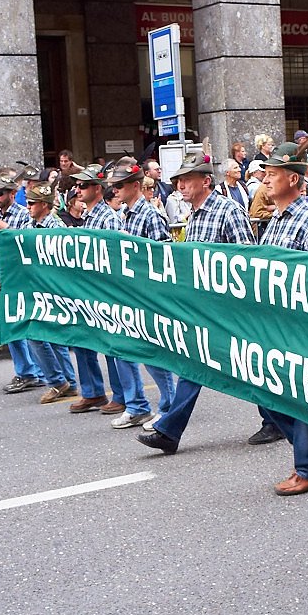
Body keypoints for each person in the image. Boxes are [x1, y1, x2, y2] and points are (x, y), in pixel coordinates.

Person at [136, 151, 255, 455]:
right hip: (204, 310)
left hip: (228, 310)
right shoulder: (195, 216)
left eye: (187, 180)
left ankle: (299, 431)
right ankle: (169, 431)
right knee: (198, 365)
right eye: (178, 181)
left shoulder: (229, 211)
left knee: (251, 370)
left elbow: (248, 260)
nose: (181, 185)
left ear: (206, 181)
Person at [252, 141, 308, 495]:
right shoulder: (277, 219)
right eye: (265, 174)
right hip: (275, 323)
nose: (265, 181)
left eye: (272, 175)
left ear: (293, 178)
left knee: (299, 396)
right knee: (268, 394)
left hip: (300, 326)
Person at [110, 157, 177, 430]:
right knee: (121, 349)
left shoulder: (151, 214)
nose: (116, 190)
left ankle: (169, 407)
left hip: (147, 295)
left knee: (151, 352)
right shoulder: (125, 214)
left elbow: (164, 257)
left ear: (136, 185)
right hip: (128, 293)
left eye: (121, 185)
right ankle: (136, 405)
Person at [58, 165, 123, 414]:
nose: (78, 189)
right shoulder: (90, 216)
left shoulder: (108, 217)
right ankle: (93, 392)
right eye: (77, 186)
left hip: (104, 288)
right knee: (83, 339)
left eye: (83, 185)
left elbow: (115, 255)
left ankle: (121, 394)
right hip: (86, 287)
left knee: (110, 343)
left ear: (97, 188)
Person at [0, 174, 44, 393]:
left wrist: (5, 226)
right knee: (10, 325)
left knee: (28, 323)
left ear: (11, 193)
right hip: (5, 277)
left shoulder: (22, 214)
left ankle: (34, 371)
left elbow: (27, 242)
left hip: (23, 277)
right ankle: (27, 371)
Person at [22, 183, 79, 404]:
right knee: (54, 337)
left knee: (36, 335)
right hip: (39, 286)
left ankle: (58, 382)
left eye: (31, 203)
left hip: (53, 288)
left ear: (44, 205)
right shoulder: (31, 225)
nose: (27, 207)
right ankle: (69, 383)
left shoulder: (55, 225)